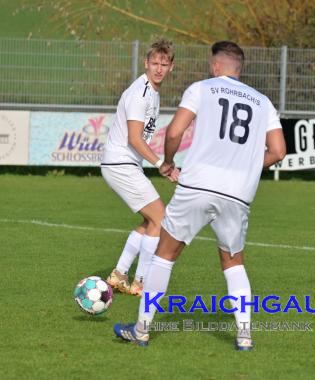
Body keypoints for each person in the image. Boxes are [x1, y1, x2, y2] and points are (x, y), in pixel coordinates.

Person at [114, 41, 287, 349]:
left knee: (165, 256)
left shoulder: (202, 88)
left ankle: (141, 329)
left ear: (216, 66)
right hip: (238, 193)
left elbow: (176, 131)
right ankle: (244, 336)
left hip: (198, 184)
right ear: (239, 68)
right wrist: (245, 167)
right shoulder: (263, 102)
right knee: (234, 263)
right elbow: (278, 151)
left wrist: (167, 162)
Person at [101, 39, 177, 297]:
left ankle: (119, 274)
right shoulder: (140, 93)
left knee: (150, 220)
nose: (158, 68)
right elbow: (135, 138)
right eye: (154, 63)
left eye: (163, 64)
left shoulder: (152, 93)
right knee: (160, 218)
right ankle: (140, 282)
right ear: (145, 63)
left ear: (171, 67)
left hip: (123, 164)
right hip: (120, 163)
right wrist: (161, 164)